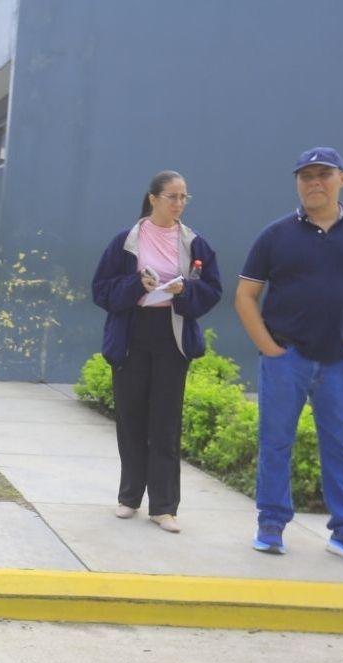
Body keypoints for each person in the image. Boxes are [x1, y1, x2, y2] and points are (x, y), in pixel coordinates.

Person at [235, 147, 343, 565]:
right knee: (275, 443)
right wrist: (269, 348)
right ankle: (270, 524)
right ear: (297, 183)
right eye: (306, 176)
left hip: (342, 364)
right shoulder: (276, 234)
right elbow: (246, 296)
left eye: (323, 174)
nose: (314, 182)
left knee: (342, 447)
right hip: (287, 358)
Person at [91, 170, 222, 533]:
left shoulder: (195, 243)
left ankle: (164, 507)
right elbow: (101, 290)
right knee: (131, 418)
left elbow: (212, 290)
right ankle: (128, 497)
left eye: (184, 197)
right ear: (153, 199)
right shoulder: (125, 241)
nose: (179, 204)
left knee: (165, 421)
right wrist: (136, 284)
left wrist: (184, 292)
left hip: (172, 335)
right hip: (132, 333)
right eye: (172, 197)